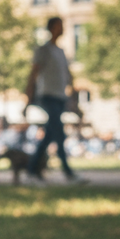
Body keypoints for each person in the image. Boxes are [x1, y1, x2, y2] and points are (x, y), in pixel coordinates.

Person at [24, 16, 87, 184]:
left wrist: (73, 96)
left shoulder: (61, 51)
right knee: (59, 133)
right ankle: (68, 172)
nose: (63, 29)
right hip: (47, 96)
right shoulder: (43, 50)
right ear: (52, 28)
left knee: (50, 134)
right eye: (59, 26)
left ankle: (31, 171)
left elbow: (67, 75)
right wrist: (28, 98)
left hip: (60, 97)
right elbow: (34, 73)